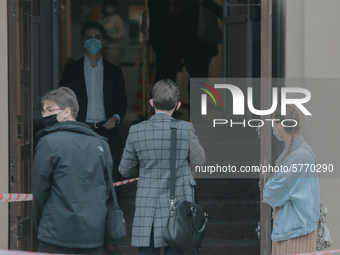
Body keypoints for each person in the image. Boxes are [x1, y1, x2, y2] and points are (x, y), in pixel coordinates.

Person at [119, 79, 205, 255]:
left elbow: (124, 170)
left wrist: (144, 167)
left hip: (148, 208)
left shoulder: (136, 131)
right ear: (178, 105)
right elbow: (200, 160)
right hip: (179, 208)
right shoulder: (185, 129)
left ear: (151, 103)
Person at [32, 87, 113, 254]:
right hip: (93, 232)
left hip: (56, 231)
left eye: (50, 109)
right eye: (43, 110)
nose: (44, 115)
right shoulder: (101, 144)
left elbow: (39, 190)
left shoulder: (49, 142)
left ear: (67, 112)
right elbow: (106, 190)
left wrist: (42, 224)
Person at [60, 21, 128, 192]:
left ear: (103, 41)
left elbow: (122, 102)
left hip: (107, 133)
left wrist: (115, 118)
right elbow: (62, 102)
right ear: (82, 41)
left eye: (97, 38)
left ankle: (112, 216)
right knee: (80, 181)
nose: (93, 41)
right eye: (89, 38)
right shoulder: (71, 71)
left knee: (111, 182)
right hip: (79, 132)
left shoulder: (114, 71)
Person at [263, 105, 320, 254]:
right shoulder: (299, 152)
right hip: (297, 229)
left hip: (295, 234)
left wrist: (269, 182)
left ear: (279, 127)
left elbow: (270, 194)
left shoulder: (298, 157)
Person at [99, 0, 125, 66]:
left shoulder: (116, 19)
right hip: (102, 48)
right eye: (109, 6)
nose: (110, 8)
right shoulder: (101, 19)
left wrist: (111, 37)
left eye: (113, 6)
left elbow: (122, 34)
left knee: (112, 68)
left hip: (113, 49)